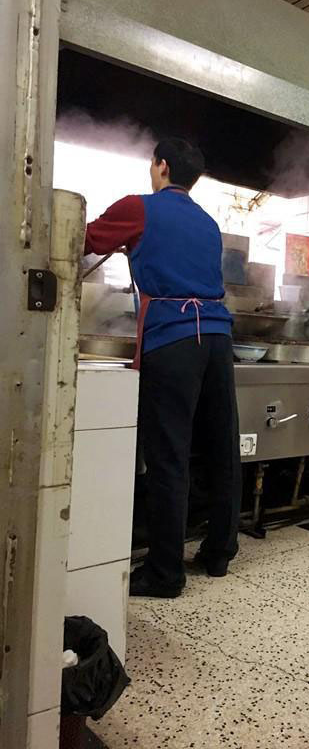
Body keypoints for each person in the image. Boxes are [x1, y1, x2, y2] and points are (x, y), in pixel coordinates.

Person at [84, 138, 242, 598]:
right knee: (221, 450)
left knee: (169, 456)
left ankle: (165, 573)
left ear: (162, 166)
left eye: (152, 163)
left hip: (174, 339)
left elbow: (83, 238)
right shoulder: (208, 222)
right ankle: (219, 553)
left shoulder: (139, 207)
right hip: (218, 339)